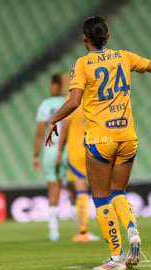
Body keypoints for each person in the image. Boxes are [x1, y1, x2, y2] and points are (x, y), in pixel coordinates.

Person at [45, 16, 151, 270]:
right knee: (119, 192)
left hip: (100, 139)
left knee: (102, 197)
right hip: (127, 137)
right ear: (108, 36)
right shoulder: (124, 57)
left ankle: (116, 257)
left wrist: (53, 120)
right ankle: (131, 229)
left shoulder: (82, 64)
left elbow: (73, 102)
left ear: (85, 39)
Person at [56, 80, 100, 242]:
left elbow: (65, 127)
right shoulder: (94, 100)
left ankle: (83, 231)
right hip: (93, 148)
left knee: (80, 189)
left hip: (75, 151)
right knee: (98, 189)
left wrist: (59, 150)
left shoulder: (71, 101)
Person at [33, 72, 67, 241]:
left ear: (56, 86)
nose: (49, 87)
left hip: (50, 148)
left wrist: (35, 155)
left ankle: (54, 231)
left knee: (54, 191)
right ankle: (82, 230)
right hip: (70, 148)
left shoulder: (46, 105)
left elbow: (40, 132)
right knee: (77, 186)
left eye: (51, 84)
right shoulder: (70, 101)